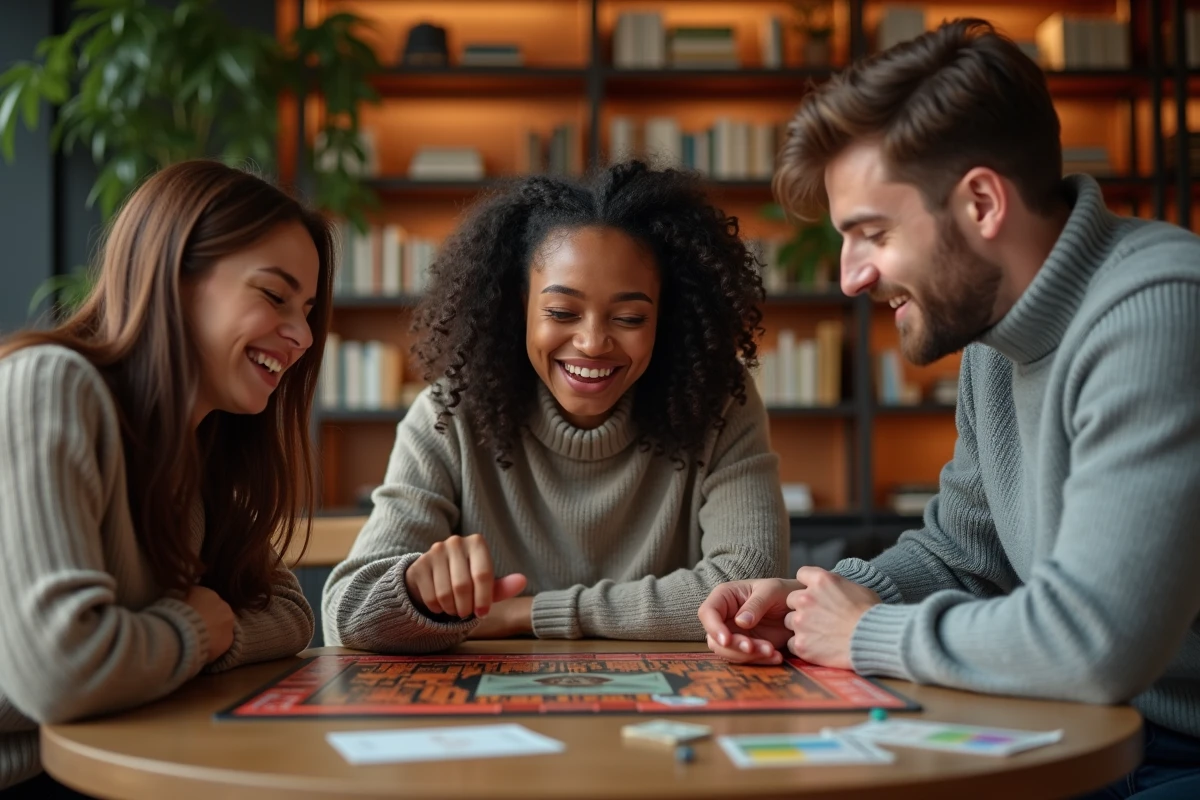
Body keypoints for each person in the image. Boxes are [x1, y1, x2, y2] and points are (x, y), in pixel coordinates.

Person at [698, 18, 1200, 799]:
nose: (850, 278)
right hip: (1088, 732)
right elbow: (966, 555)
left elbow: (1095, 641)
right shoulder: (995, 343)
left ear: (981, 203)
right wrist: (804, 610)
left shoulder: (1159, 310)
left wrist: (864, 633)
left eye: (871, 233)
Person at [323, 161, 788, 653]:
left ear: (664, 316)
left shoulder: (719, 404)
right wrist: (415, 592)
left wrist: (525, 614)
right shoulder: (449, 413)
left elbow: (750, 590)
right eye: (561, 312)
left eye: (629, 317)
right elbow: (345, 613)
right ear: (519, 302)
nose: (592, 342)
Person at [0, 160, 332, 796]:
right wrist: (190, 632)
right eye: (273, 295)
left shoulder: (198, 445)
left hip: (118, 764)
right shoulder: (50, 386)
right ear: (175, 276)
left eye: (309, 310)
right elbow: (58, 673)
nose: (301, 336)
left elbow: (290, 613)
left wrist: (182, 639)